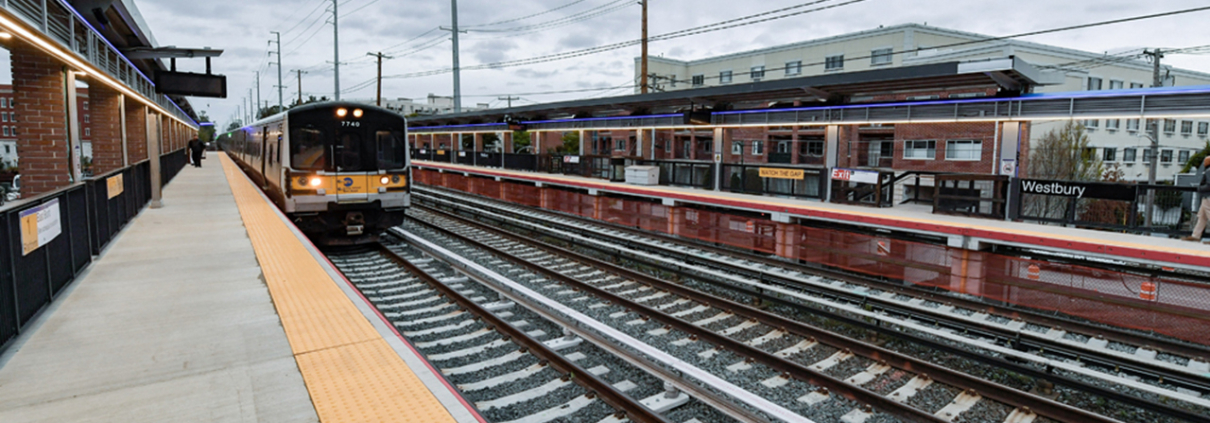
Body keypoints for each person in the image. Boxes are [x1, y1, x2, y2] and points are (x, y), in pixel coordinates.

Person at [1183, 156, 1210, 241]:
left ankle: (1196, 236)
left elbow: (1209, 185)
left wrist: (1199, 188)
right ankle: (1196, 235)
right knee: (1202, 216)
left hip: (1207, 196)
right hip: (1206, 197)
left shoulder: (1208, 171)